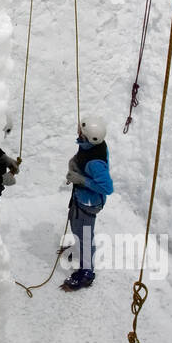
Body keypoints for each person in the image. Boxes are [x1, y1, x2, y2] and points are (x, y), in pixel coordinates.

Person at [62, 117, 113, 290]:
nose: (78, 132)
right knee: (76, 227)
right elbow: (82, 156)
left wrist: (81, 179)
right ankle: (79, 249)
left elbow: (107, 187)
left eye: (80, 131)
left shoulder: (95, 163)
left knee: (84, 234)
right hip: (81, 198)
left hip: (89, 203)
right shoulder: (90, 145)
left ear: (86, 137)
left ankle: (87, 272)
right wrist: (75, 162)